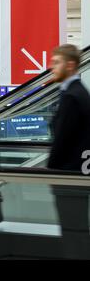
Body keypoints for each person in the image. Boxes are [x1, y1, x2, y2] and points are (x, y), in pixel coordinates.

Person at [47, 44, 90, 259]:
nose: (51, 67)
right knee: (77, 229)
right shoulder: (77, 92)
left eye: (56, 62)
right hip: (76, 173)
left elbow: (62, 140)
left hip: (68, 175)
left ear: (70, 66)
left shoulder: (72, 96)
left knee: (73, 231)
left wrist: (49, 170)